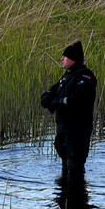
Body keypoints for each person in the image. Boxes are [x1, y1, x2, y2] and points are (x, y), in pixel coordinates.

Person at [40, 40, 97, 177]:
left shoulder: (86, 77)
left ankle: (76, 195)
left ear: (73, 59)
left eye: (65, 56)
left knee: (74, 167)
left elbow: (78, 99)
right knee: (65, 166)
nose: (62, 58)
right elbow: (50, 92)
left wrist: (57, 102)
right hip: (64, 129)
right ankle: (63, 196)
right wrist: (49, 99)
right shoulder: (67, 76)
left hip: (78, 130)